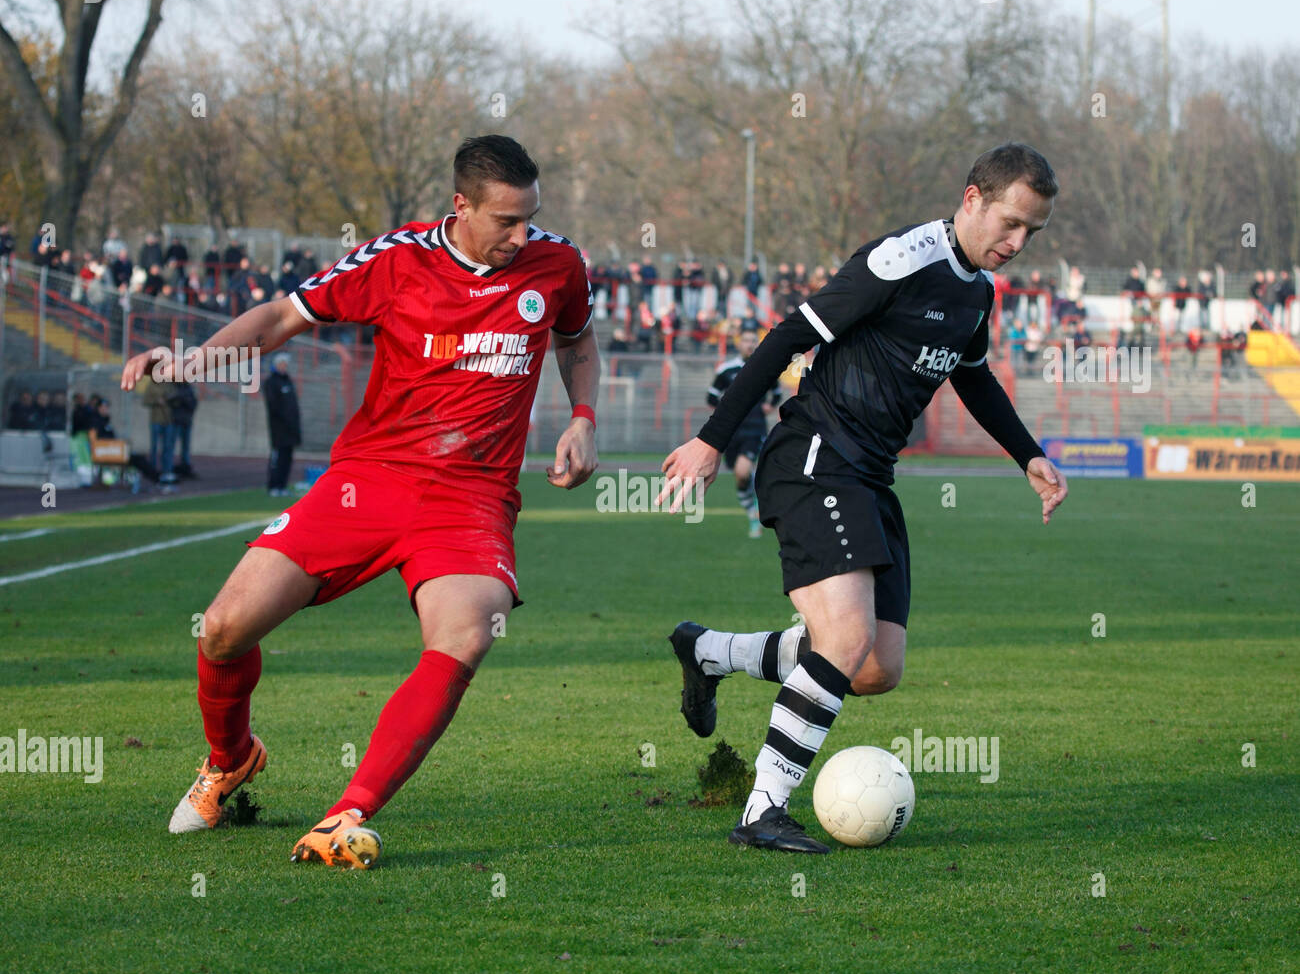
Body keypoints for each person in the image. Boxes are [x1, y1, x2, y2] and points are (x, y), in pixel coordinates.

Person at [119, 135, 598, 869]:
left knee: (465, 634)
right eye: (506, 221)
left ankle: (347, 812)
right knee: (221, 629)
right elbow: (282, 319)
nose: (522, 235)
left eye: (531, 217)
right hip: (367, 481)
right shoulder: (396, 259)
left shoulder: (558, 263)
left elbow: (577, 342)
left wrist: (583, 418)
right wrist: (189, 361)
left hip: (471, 498)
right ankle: (230, 759)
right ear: (460, 206)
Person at [658, 142, 1068, 853]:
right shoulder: (900, 261)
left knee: (875, 665)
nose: (1017, 243)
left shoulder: (976, 292)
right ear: (973, 197)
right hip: (816, 457)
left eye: (1032, 232)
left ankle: (710, 653)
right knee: (843, 641)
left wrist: (1027, 453)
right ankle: (762, 808)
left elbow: (972, 376)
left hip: (870, 476)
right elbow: (789, 335)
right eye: (1010, 223)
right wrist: (712, 439)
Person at [707, 329, 780, 538]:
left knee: (742, 471)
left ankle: (757, 506)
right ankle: (752, 512)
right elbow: (711, 397)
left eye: (753, 341)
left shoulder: (765, 366)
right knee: (740, 478)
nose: (750, 344)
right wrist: (726, 410)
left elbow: (775, 393)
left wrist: (769, 405)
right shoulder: (726, 370)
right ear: (739, 343)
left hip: (755, 429)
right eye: (746, 340)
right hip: (732, 431)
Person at [263, 353, 300, 496]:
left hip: (291, 429)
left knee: (287, 458)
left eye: (286, 364)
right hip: (279, 429)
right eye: (282, 364)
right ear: (277, 364)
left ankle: (283, 485)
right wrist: (283, 421)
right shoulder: (272, 382)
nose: (285, 366)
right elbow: (274, 406)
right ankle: (273, 486)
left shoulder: (288, 381)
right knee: (277, 458)